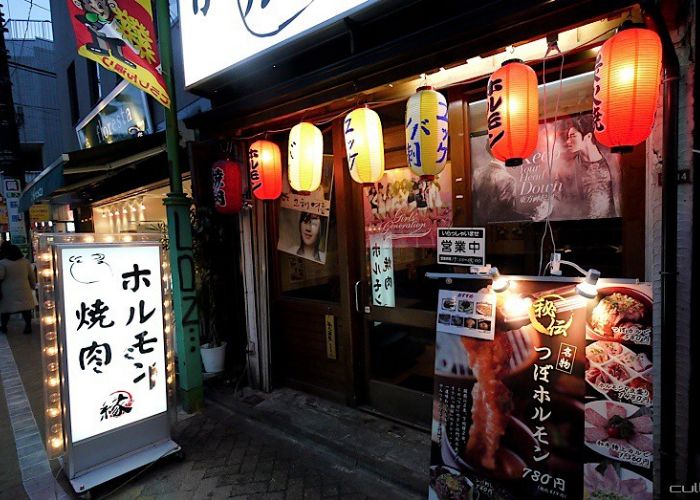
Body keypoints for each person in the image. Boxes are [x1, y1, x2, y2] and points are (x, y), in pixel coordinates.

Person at [564, 114, 621, 219]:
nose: (568, 142)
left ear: (588, 136)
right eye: (568, 137)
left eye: (573, 136)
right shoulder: (571, 167)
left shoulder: (612, 159)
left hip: (614, 223)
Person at [0, 244, 36, 334]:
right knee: (26, 309)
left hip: (8, 290)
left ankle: (4, 327)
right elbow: (31, 276)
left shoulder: (3, 263)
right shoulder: (25, 262)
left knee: (5, 310)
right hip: (24, 289)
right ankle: (28, 326)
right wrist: (33, 285)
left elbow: (0, 276)